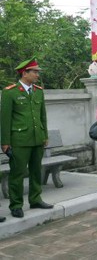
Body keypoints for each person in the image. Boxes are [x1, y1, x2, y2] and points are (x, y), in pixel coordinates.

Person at [1, 57, 54, 219]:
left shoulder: (38, 91)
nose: (38, 75)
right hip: (19, 140)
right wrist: (5, 142)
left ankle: (35, 199)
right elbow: (5, 119)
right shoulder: (10, 92)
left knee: (36, 171)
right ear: (25, 73)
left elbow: (42, 115)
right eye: (35, 72)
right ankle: (16, 205)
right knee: (18, 173)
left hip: (37, 139)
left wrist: (44, 135)